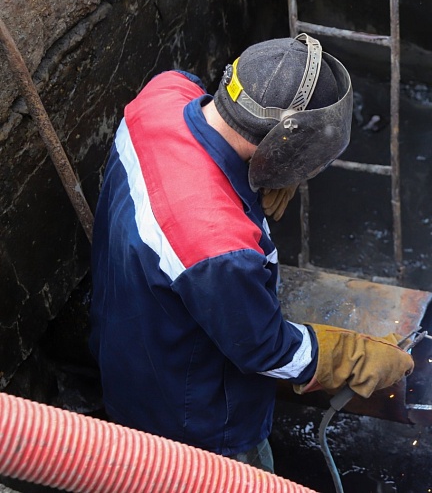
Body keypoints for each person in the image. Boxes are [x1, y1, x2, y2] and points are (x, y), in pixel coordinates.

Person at [88, 34, 414, 472]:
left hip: (127, 344)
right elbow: (265, 350)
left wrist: (270, 173)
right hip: (193, 423)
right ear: (282, 141)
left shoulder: (161, 95)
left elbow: (195, 105)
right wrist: (352, 356)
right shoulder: (220, 250)